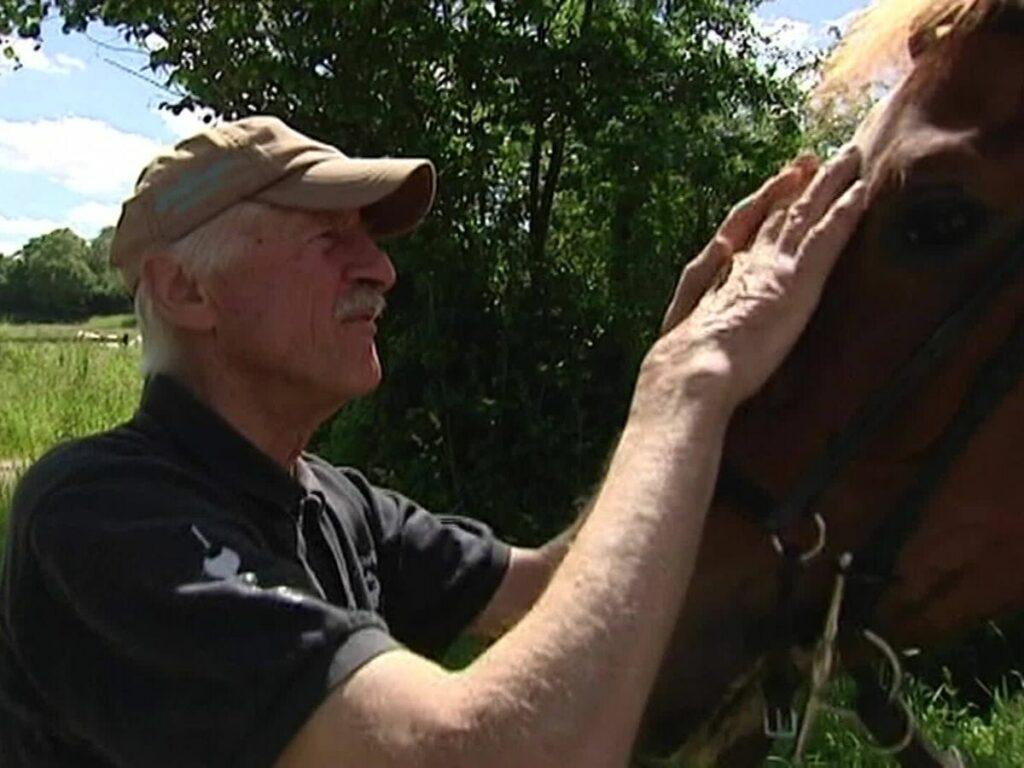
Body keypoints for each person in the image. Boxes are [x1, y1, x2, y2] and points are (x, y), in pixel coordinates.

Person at [0, 115, 865, 768]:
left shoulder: (334, 500)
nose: (381, 270)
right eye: (331, 236)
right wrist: (681, 394)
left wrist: (687, 380)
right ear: (185, 287)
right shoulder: (99, 516)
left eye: (370, 242)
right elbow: (482, 755)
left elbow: (555, 591)